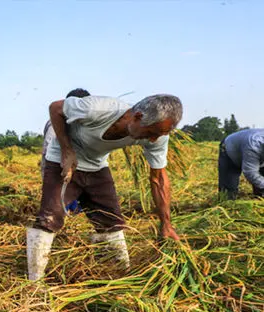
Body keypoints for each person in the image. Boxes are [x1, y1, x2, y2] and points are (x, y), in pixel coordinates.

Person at [27, 94, 183, 281]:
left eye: (158, 135)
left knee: (112, 221)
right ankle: (35, 283)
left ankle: (120, 274)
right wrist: (67, 150)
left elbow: (158, 178)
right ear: (138, 117)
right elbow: (56, 108)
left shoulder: (158, 137)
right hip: (64, 160)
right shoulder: (98, 109)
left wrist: (166, 224)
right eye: (151, 133)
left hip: (97, 165)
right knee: (50, 217)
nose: (152, 140)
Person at [40, 88, 91, 214]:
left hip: (72, 165)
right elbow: (49, 148)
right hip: (58, 166)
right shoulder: (57, 122)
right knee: (59, 200)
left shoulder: (79, 123)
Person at [218, 128, 264, 199]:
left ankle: (259, 198)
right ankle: (228, 204)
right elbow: (250, 172)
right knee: (229, 191)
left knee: (261, 187)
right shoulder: (254, 144)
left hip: (253, 151)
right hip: (230, 151)